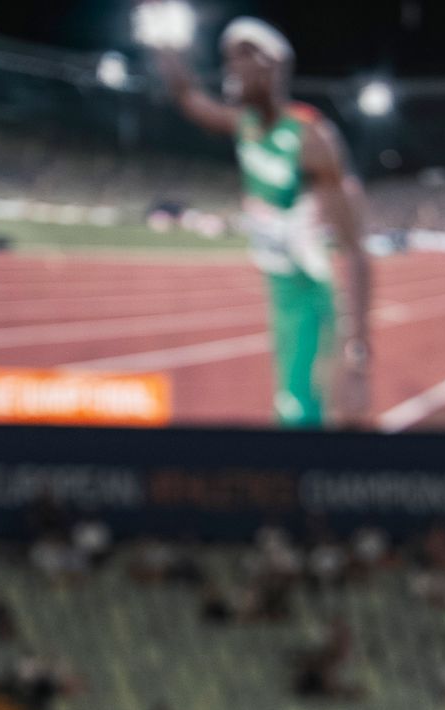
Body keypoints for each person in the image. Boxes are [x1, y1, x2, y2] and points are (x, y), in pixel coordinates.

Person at [148, 15, 371, 428]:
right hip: (279, 290)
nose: (230, 68)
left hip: (308, 294)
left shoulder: (311, 138)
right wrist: (162, 39)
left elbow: (356, 250)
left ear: (271, 67)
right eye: (228, 58)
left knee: (298, 415)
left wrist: (358, 355)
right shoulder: (245, 124)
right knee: (293, 410)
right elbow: (188, 96)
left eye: (242, 58)